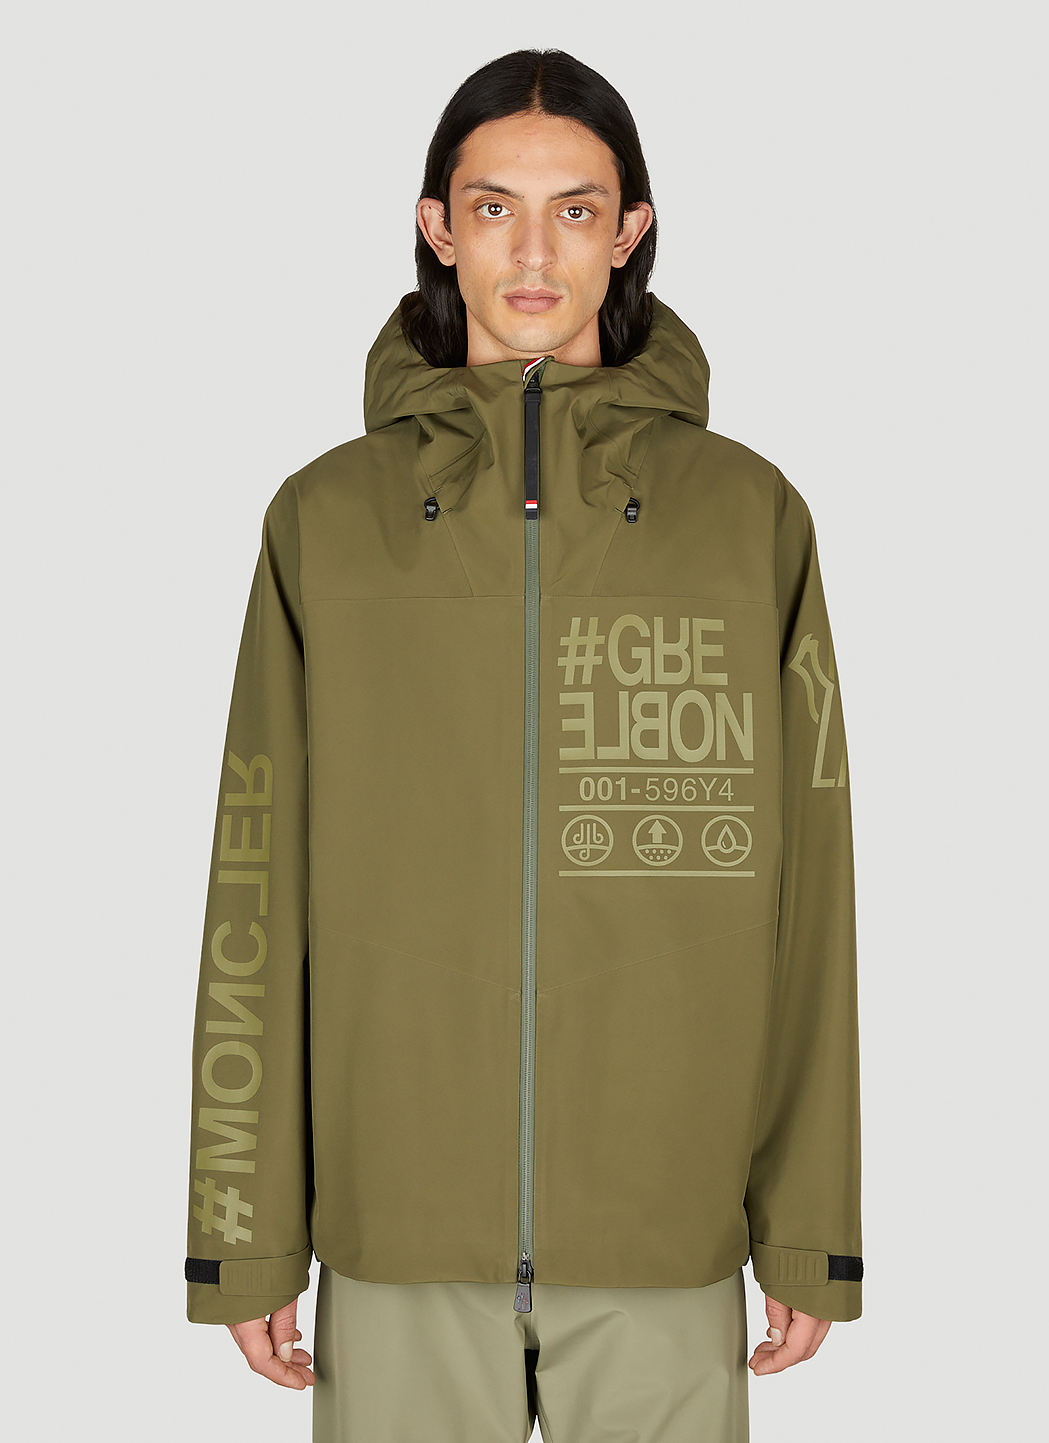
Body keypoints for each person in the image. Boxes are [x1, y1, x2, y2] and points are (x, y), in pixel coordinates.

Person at [184, 47, 862, 1442]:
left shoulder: (750, 522)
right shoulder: (326, 522)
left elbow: (811, 901)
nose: (535, 251)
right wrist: (242, 1231)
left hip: (666, 1235)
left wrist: (810, 1226)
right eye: (495, 208)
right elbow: (253, 884)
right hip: (396, 1237)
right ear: (438, 227)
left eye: (575, 209)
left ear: (630, 230)